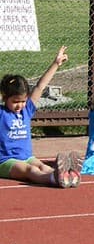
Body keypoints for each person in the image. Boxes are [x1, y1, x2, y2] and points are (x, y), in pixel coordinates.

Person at [0, 46, 80, 188]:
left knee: (42, 166)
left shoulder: (27, 110)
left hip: (28, 157)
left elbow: (40, 86)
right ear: (4, 98)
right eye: (15, 102)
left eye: (23, 101)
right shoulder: (2, 113)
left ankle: (67, 176)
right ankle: (55, 179)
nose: (20, 105)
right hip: (6, 161)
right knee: (30, 170)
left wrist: (56, 64)